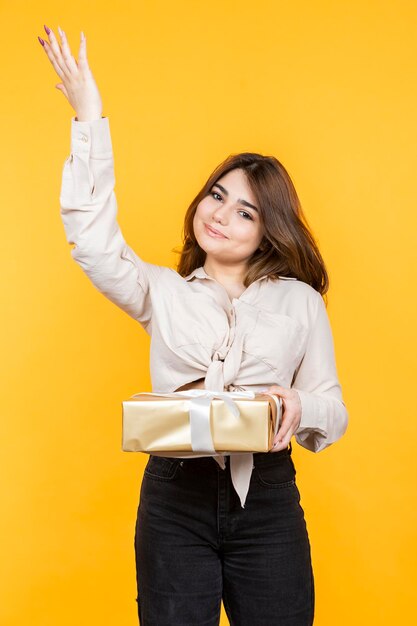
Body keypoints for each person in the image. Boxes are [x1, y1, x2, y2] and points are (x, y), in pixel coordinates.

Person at [39, 25, 349, 626]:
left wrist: (298, 404)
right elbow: (93, 242)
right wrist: (89, 119)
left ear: (268, 229)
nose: (220, 214)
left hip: (268, 502)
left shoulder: (299, 303)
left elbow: (332, 410)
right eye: (216, 195)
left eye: (245, 210)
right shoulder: (161, 291)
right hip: (173, 499)